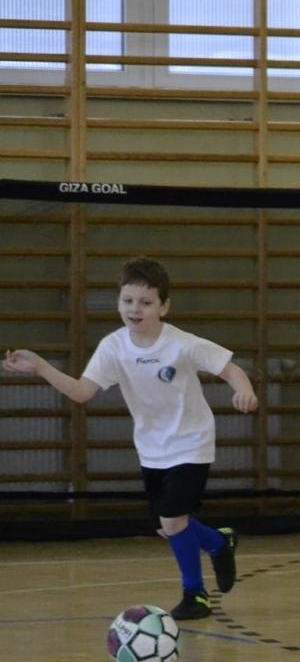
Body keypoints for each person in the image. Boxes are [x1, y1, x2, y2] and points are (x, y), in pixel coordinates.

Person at [4, 257, 255, 620]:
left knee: (173, 521)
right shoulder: (113, 347)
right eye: (127, 301)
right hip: (151, 449)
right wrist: (42, 367)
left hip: (191, 443)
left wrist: (244, 391)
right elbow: (81, 392)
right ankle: (219, 542)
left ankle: (195, 595)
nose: (134, 309)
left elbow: (230, 369)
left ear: (164, 307)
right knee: (167, 528)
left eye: (145, 302)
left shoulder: (181, 344)